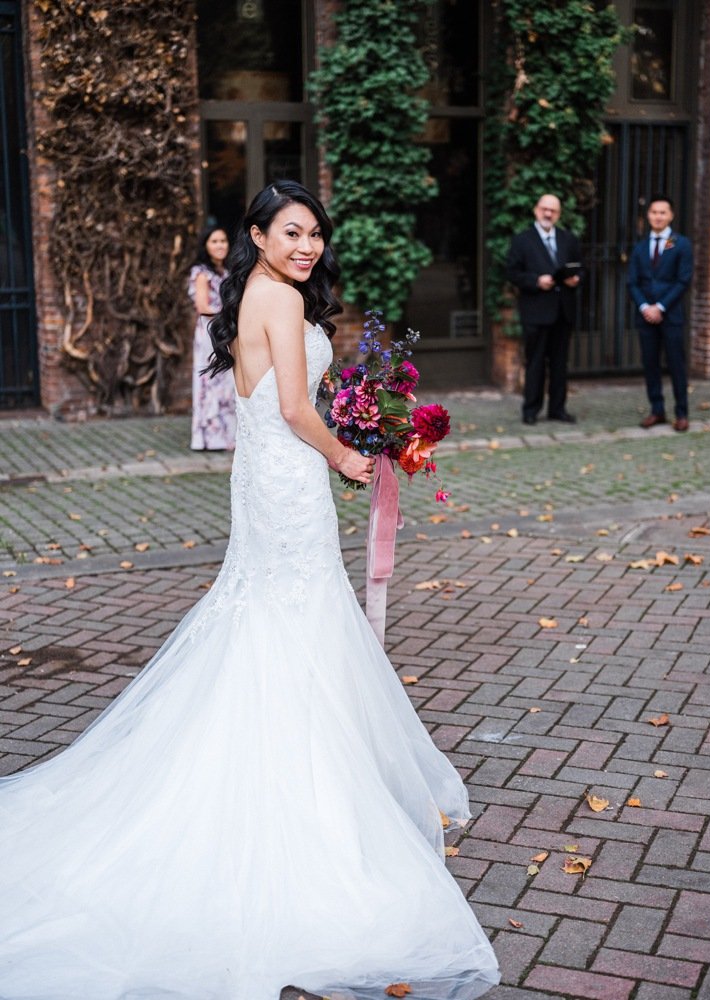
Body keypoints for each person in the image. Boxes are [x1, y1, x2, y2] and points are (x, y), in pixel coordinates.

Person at [0, 181, 501, 999]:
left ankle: (306, 770)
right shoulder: (273, 298)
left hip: (273, 475)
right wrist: (346, 453)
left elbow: (271, 400)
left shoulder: (268, 296)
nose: (307, 246)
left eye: (314, 235)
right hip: (289, 473)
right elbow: (298, 409)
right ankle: (298, 799)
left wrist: (358, 423)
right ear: (259, 236)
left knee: (280, 614)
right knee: (288, 614)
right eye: (291, 232)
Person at [505, 193, 582, 425]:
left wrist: (576, 279)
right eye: (545, 209)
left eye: (554, 210)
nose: (548, 213)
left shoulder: (568, 239)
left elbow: (582, 268)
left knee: (560, 364)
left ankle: (557, 409)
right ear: (536, 210)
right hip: (536, 311)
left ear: (558, 214)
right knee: (536, 362)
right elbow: (512, 273)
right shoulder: (522, 240)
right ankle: (531, 409)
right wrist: (536, 281)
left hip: (562, 310)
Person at [628, 195, 694, 432]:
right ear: (648, 216)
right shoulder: (639, 247)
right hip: (645, 317)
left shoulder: (681, 244)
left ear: (671, 215)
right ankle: (657, 410)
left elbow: (683, 280)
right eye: (654, 212)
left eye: (662, 212)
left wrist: (661, 307)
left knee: (676, 364)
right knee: (650, 364)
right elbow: (632, 282)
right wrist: (645, 307)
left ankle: (682, 413)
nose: (658, 216)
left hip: (671, 315)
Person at [188, 225, 236, 450]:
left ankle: (227, 436)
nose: (220, 246)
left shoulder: (225, 271)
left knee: (226, 381)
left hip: (224, 330)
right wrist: (231, 313)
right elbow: (202, 306)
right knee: (210, 380)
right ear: (206, 246)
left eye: (223, 241)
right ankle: (208, 438)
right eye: (214, 241)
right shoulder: (201, 272)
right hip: (210, 331)